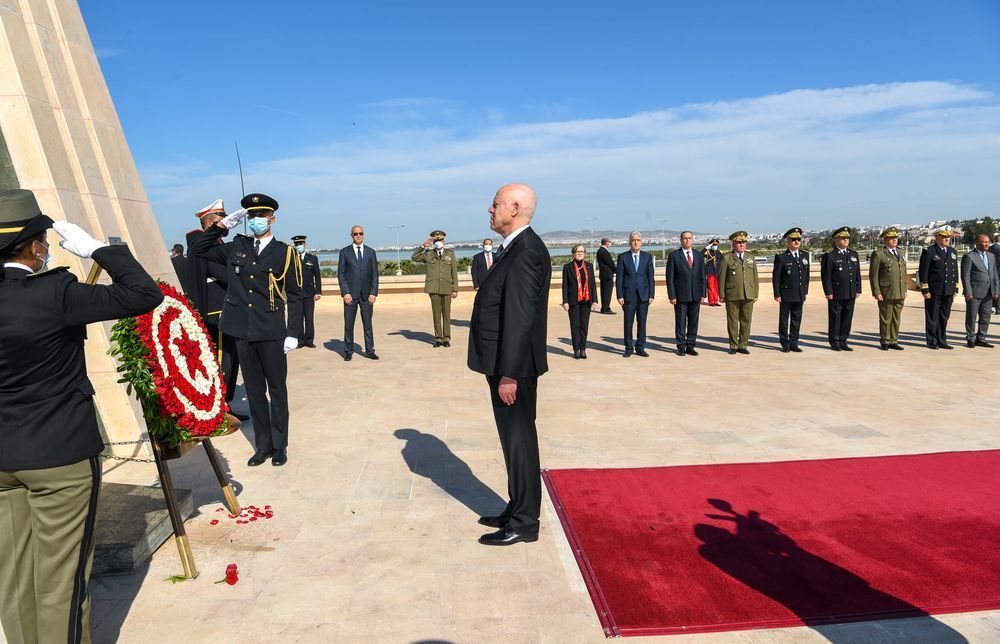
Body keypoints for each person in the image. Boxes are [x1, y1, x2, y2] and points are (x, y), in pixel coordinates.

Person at [0, 189, 163, 644]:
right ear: (34, 247)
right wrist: (97, 250)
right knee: (61, 581)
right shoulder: (55, 293)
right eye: (44, 240)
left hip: (2, 459)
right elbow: (144, 294)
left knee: (13, 578)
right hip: (60, 455)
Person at [190, 193, 304, 467]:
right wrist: (222, 226)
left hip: (271, 330)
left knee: (277, 390)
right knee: (254, 392)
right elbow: (197, 249)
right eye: (251, 216)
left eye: (261, 216)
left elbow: (296, 295)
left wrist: (293, 332)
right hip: (243, 330)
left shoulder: (285, 253)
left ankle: (279, 446)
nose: (255, 220)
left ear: (272, 219)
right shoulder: (237, 246)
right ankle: (263, 446)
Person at [468, 183, 550, 546]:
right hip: (505, 363)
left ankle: (525, 523)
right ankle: (516, 507)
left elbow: (520, 317)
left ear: (514, 208)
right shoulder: (515, 247)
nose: (490, 209)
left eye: (496, 203)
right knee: (512, 441)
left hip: (513, 369)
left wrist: (509, 375)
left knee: (519, 443)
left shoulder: (527, 251)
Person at [186, 199, 243, 418]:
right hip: (216, 311)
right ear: (210, 223)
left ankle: (225, 406)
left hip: (227, 309)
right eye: (222, 219)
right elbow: (224, 274)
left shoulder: (217, 244)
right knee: (221, 360)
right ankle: (218, 409)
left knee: (231, 360)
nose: (227, 223)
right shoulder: (198, 241)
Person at [337, 225, 379, 360]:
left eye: (360, 233)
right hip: (350, 295)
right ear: (351, 236)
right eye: (355, 234)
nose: (358, 236)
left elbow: (375, 274)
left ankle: (370, 350)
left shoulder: (371, 252)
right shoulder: (344, 252)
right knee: (349, 325)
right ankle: (348, 351)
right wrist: (345, 293)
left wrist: (373, 293)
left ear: (363, 235)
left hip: (367, 295)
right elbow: (341, 274)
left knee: (368, 325)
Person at [412, 230, 458, 347]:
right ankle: (438, 338)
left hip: (447, 287)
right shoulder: (429, 254)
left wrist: (455, 289)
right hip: (433, 288)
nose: (438, 242)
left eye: (440, 240)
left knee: (446, 314)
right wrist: (423, 246)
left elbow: (454, 272)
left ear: (444, 241)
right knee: (436, 314)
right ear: (433, 242)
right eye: (436, 240)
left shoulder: (450, 254)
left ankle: (446, 338)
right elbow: (414, 257)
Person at [820, 227, 862, 351]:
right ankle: (834, 341)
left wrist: (858, 289)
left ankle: (843, 340)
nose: (846, 240)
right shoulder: (830, 255)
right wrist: (828, 291)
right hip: (836, 292)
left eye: (847, 238)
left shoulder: (853, 254)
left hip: (850, 291)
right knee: (835, 317)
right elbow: (826, 276)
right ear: (836, 240)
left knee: (847, 317)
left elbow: (857, 274)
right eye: (843, 238)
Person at [917, 226, 959, 350]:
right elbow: (923, 272)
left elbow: (955, 271)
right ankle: (932, 341)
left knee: (944, 316)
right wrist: (925, 289)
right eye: (944, 237)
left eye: (948, 237)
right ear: (937, 237)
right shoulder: (929, 251)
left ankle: (942, 340)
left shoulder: (952, 251)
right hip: (934, 290)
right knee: (932, 316)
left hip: (948, 289)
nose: (947, 239)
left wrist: (955, 288)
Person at [667, 231, 707, 356]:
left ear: (692, 240)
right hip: (680, 295)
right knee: (680, 322)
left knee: (694, 321)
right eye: (685, 238)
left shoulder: (698, 255)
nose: (687, 240)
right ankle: (681, 346)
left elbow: (702, 275)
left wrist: (703, 293)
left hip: (696, 294)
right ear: (681, 240)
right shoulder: (674, 256)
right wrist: (672, 295)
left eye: (689, 238)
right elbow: (670, 278)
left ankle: (690, 345)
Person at [717, 231, 758, 354]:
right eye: (739, 242)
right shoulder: (727, 258)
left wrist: (755, 293)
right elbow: (721, 278)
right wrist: (722, 295)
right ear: (733, 244)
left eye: (743, 242)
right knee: (733, 321)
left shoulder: (750, 257)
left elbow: (755, 277)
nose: (741, 244)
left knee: (746, 320)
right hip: (732, 294)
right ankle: (733, 345)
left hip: (748, 293)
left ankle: (743, 345)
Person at [616, 231, 655, 357]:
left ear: (641, 242)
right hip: (628, 296)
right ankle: (628, 348)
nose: (636, 242)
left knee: (642, 323)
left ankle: (640, 347)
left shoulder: (647, 257)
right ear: (629, 242)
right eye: (633, 240)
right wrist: (619, 295)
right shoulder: (623, 257)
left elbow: (651, 277)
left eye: (638, 240)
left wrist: (651, 295)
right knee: (628, 323)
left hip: (644, 295)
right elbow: (619, 278)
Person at [869, 227, 908, 350]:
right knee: (886, 318)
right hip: (886, 291)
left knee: (896, 318)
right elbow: (873, 275)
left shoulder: (901, 252)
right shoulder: (879, 254)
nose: (894, 240)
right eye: (891, 238)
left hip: (899, 291)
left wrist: (905, 288)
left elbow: (903, 272)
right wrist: (876, 292)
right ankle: (885, 341)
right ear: (885, 240)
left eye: (896, 238)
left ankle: (893, 340)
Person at [772, 227, 809, 353]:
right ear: (788, 241)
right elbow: (776, 277)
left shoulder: (804, 255)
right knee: (784, 320)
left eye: (798, 239)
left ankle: (794, 343)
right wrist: (777, 294)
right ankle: (785, 343)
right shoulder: (782, 257)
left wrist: (805, 291)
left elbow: (806, 275)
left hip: (799, 293)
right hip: (786, 293)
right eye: (793, 239)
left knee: (796, 319)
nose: (796, 241)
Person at [961, 233, 999, 348]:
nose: (987, 244)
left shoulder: (991, 256)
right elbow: (965, 276)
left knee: (985, 317)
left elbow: (995, 274)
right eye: (984, 242)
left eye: (988, 242)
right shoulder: (969, 256)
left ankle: (981, 338)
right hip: (974, 293)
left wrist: (996, 290)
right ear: (977, 243)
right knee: (971, 317)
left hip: (989, 293)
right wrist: (968, 292)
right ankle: (971, 338)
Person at [561, 244, 598, 359]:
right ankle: (576, 350)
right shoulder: (567, 267)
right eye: (577, 251)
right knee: (575, 326)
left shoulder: (589, 266)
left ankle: (583, 349)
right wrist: (565, 301)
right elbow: (565, 286)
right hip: (573, 301)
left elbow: (592, 284)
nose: (580, 253)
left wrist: (595, 300)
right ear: (573, 253)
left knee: (584, 326)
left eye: (582, 251)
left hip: (586, 300)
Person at [292, 235, 322, 348]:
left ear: (305, 245)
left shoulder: (312, 258)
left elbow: (317, 276)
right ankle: (300, 341)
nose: (298, 246)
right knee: (298, 318)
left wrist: (318, 292)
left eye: (300, 244)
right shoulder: (292, 259)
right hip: (296, 293)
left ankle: (309, 340)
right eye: (296, 244)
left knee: (309, 318)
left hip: (309, 293)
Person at [596, 236, 617, 314]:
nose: (610, 243)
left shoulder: (600, 251)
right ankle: (606, 308)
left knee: (604, 292)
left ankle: (604, 308)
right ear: (606, 242)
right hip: (607, 275)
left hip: (604, 275)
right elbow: (610, 263)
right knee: (607, 293)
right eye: (609, 242)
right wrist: (617, 271)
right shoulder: (604, 251)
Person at [704, 238, 722, 306]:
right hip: (710, 272)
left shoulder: (719, 252)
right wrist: (706, 248)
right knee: (711, 287)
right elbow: (700, 255)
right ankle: (711, 301)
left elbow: (722, 261)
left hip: (717, 272)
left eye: (716, 245)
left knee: (716, 287)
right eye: (713, 245)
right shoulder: (708, 252)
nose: (715, 246)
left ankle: (715, 301)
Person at [990, 233, 1000, 314]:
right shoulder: (999, 248)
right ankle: (998, 308)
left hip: (991, 271)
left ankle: (990, 307)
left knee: (991, 289)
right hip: (998, 272)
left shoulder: (990, 248)